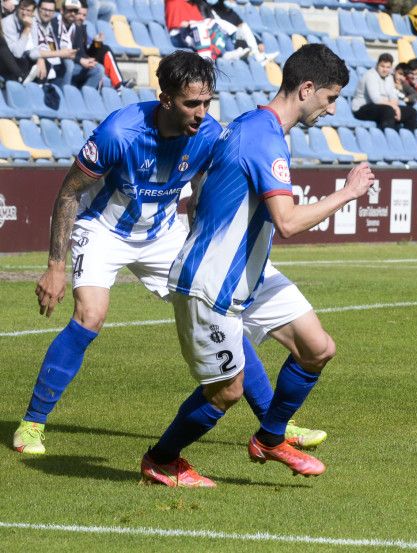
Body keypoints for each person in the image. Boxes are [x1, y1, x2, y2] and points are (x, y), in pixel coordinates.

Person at [14, 50, 326, 456]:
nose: (201, 113)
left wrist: (203, 236)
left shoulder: (209, 134)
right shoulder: (119, 132)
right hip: (104, 230)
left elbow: (201, 191)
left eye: (207, 103)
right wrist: (56, 265)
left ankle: (274, 424)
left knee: (219, 304)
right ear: (166, 100)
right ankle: (33, 423)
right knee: (90, 316)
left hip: (162, 234)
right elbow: (71, 192)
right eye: (190, 104)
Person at [141, 43, 374, 488]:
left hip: (249, 273)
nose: (331, 109)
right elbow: (285, 222)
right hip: (212, 282)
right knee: (225, 391)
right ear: (307, 88)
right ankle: (162, 459)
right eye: (330, 98)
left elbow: (209, 190)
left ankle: (269, 438)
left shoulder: (255, 124)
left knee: (317, 347)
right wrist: (347, 193)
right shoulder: (262, 137)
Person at [351, 53, 416, 131]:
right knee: (388, 111)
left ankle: (407, 139)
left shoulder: (389, 77)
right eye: (382, 66)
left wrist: (396, 107)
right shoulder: (370, 75)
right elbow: (376, 99)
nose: (385, 69)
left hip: (382, 107)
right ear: (377, 65)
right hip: (362, 108)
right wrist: (394, 107)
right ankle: (389, 138)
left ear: (391, 68)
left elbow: (393, 96)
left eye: (388, 67)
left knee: (412, 112)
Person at [32, 0, 73, 85]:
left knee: (66, 65)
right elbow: (30, 49)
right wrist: (40, 58)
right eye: (44, 9)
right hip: (36, 64)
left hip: (54, 66)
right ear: (38, 9)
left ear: (54, 12)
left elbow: (58, 45)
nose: (47, 13)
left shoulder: (51, 25)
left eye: (50, 11)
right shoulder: (31, 23)